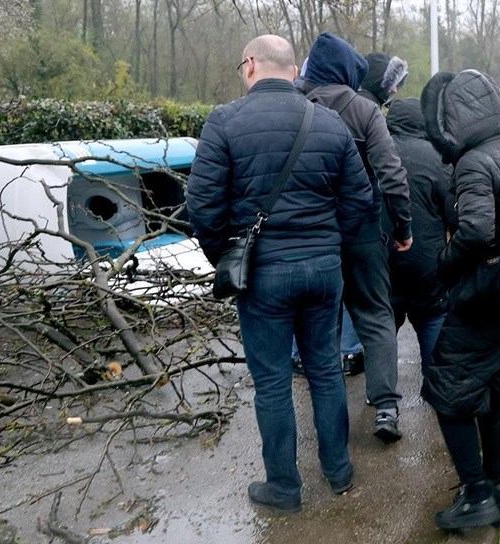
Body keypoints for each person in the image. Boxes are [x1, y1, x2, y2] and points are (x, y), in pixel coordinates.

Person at [187, 34, 376, 513]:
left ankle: (285, 488)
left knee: (272, 382)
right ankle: (339, 472)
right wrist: (332, 246)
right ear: (294, 70)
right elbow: (360, 202)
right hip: (323, 270)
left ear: (250, 64)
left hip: (265, 275)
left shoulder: (224, 122)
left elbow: (202, 207)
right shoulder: (331, 124)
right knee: (326, 372)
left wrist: (230, 258)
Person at [419, 69, 500, 530]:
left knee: (445, 388)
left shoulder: (474, 162)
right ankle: (497, 490)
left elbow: (476, 229)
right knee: (492, 392)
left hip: (488, 299)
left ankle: (477, 495)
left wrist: (445, 262)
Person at [299, 34, 413, 443]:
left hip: (313, 236)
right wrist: (403, 229)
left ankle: (327, 416)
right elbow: (392, 175)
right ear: (348, 72)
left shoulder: (295, 107)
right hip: (364, 232)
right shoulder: (365, 110)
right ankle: (385, 407)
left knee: (320, 321)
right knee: (376, 316)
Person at [384, 97, 452, 377]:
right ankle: (434, 382)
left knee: (383, 328)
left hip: (383, 261)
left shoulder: (376, 154)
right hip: (427, 264)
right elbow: (452, 214)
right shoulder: (438, 158)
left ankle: (383, 396)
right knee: (433, 319)